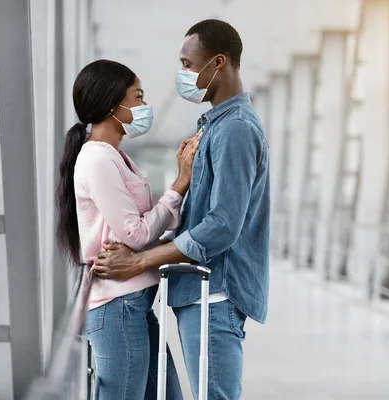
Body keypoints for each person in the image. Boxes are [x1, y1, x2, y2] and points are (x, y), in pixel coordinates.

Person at [93, 20, 270, 399]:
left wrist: (141, 262)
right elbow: (200, 218)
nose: (184, 74)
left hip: (215, 293)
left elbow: (222, 226)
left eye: (189, 65)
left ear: (218, 62)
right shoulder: (215, 127)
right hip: (200, 291)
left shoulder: (235, 129)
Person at [56, 59, 200, 400]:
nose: (143, 106)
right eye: (137, 97)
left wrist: (164, 229)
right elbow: (134, 233)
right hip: (117, 307)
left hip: (133, 306)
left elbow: (140, 230)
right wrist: (179, 185)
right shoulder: (97, 159)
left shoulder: (118, 157)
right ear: (112, 104)